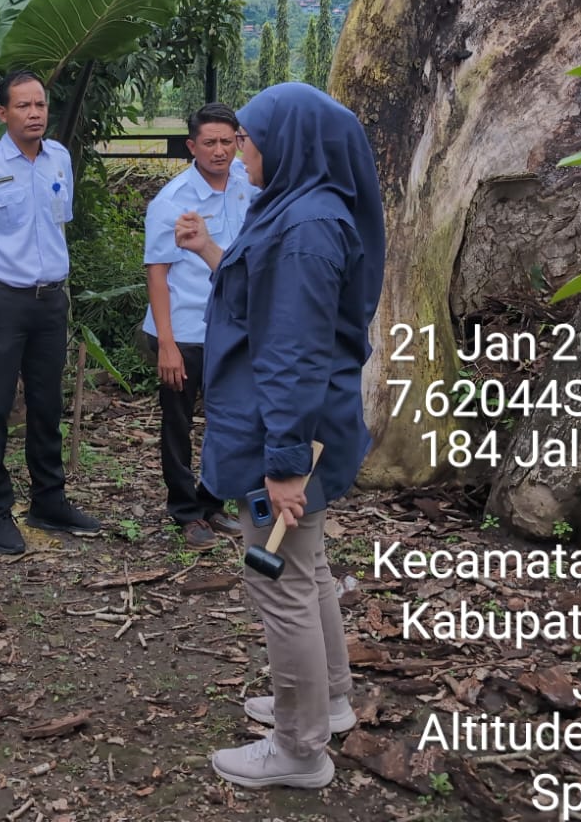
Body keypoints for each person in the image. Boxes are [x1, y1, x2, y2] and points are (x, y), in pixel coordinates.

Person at [174, 82, 385, 792]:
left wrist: (285, 463)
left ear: (289, 144)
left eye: (251, 141)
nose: (240, 154)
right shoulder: (300, 209)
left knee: (281, 580)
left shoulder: (306, 230)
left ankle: (299, 748)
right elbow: (255, 300)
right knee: (310, 565)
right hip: (291, 426)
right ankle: (327, 699)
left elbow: (293, 353)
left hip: (286, 435)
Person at [0, 70, 101, 555]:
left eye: (41, 105)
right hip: (1, 300)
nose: (35, 114)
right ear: (3, 114)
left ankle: (48, 501)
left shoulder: (59, 159)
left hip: (50, 299)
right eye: (24, 106)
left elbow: (57, 225)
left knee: (46, 405)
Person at [139, 102, 254, 548]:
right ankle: (185, 511)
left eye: (229, 141)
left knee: (228, 418)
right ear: (192, 146)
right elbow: (157, 273)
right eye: (210, 142)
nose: (220, 151)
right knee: (178, 423)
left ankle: (212, 501)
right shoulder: (172, 201)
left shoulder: (248, 185)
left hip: (232, 327)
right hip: (184, 328)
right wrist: (166, 343)